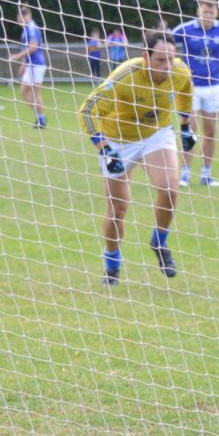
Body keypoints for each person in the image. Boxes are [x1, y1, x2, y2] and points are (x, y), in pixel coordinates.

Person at [78, 33, 196, 284]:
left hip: (156, 134)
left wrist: (185, 127)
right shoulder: (125, 76)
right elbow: (87, 110)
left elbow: (186, 92)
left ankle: (159, 241)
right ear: (146, 57)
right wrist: (105, 149)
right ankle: (112, 264)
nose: (166, 66)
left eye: (170, 59)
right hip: (117, 140)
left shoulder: (179, 71)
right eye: (160, 60)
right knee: (118, 209)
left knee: (169, 188)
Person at [171, 0, 219, 188]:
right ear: (198, 11)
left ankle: (206, 174)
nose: (208, 15)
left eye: (211, 12)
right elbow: (167, 42)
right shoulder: (186, 29)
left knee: (210, 130)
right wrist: (175, 65)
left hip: (213, 86)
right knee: (189, 129)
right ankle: (184, 174)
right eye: (205, 11)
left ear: (216, 12)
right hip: (190, 86)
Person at [9, 6, 48, 128]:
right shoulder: (26, 29)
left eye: (21, 17)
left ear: (26, 16)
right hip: (31, 65)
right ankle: (40, 115)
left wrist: (17, 56)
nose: (19, 20)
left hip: (37, 64)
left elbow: (33, 47)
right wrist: (23, 64)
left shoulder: (31, 28)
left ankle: (41, 119)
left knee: (35, 93)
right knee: (24, 91)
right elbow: (27, 48)